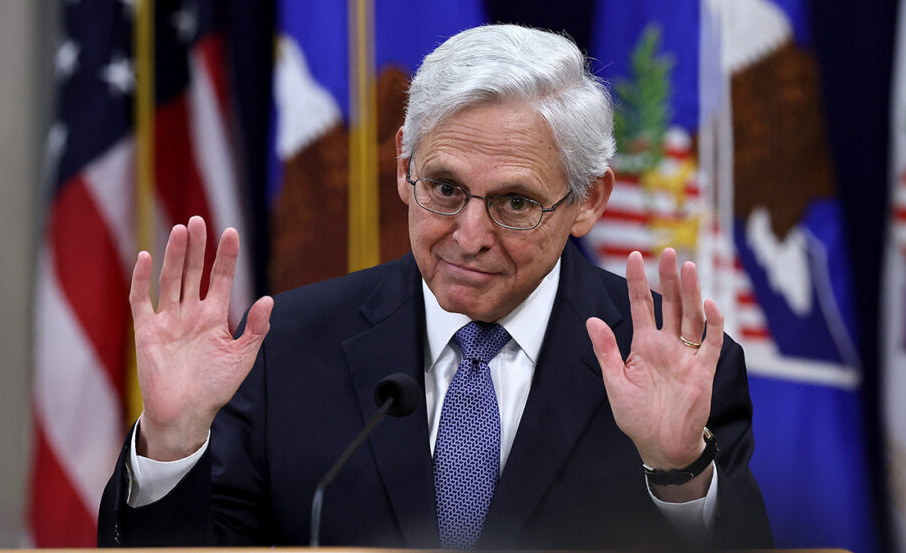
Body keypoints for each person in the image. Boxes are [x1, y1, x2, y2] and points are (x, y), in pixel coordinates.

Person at [98, 24, 772, 549]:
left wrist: (679, 472)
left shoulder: (673, 364)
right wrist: (171, 442)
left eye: (514, 202)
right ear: (403, 167)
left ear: (588, 201)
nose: (469, 235)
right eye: (446, 189)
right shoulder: (288, 348)